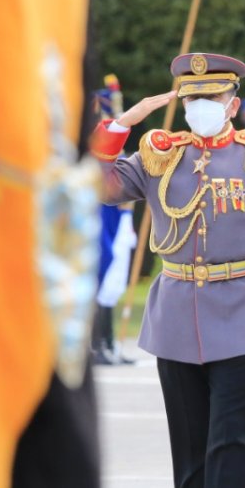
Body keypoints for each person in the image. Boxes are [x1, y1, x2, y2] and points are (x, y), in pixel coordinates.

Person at [89, 52, 245, 487]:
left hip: (242, 313)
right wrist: (121, 125)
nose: (202, 106)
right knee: (188, 451)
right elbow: (99, 185)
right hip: (176, 318)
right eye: (193, 99)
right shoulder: (160, 155)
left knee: (231, 443)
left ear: (233, 104)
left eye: (213, 97)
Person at [91, 74, 138, 366]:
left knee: (114, 278)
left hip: (118, 217)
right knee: (102, 273)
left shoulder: (115, 143)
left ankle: (107, 342)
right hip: (101, 215)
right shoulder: (95, 141)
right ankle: (96, 344)